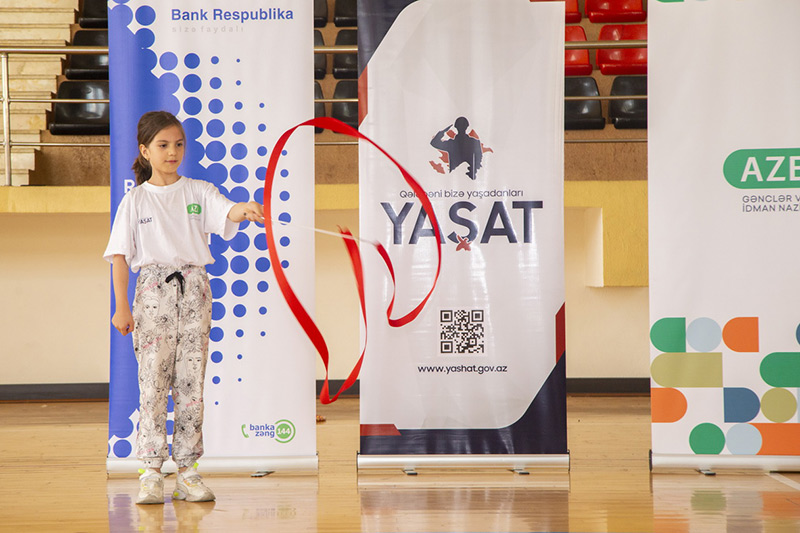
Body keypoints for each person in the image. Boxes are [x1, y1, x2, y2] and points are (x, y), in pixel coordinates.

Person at [104, 111, 264, 505]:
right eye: (162, 145)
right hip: (151, 293)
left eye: (178, 144)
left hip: (194, 290)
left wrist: (245, 208)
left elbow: (228, 211)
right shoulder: (135, 199)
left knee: (191, 384)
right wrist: (121, 307)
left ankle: (188, 472)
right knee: (153, 383)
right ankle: (151, 472)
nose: (172, 152)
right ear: (145, 151)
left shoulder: (198, 191)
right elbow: (120, 256)